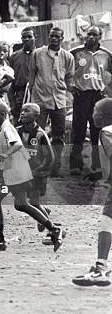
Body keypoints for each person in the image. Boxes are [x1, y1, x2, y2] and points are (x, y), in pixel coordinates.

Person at [0, 101, 63, 252]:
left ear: (2, 115)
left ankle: (52, 229)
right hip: (12, 171)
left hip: (16, 172)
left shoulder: (7, 129)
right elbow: (15, 153)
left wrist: (27, 168)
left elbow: (17, 145)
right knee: (18, 204)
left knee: (16, 203)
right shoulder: (2, 129)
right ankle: (52, 229)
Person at [72, 98, 112, 287]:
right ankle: (101, 266)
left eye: (95, 110)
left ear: (102, 116)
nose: (92, 113)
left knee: (107, 218)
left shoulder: (106, 132)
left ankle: (100, 268)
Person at [28, 27, 74, 177]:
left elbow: (69, 78)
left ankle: (55, 167)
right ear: (48, 37)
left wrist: (69, 93)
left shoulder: (68, 57)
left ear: (62, 38)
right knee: (38, 134)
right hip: (40, 100)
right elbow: (32, 75)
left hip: (59, 101)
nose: (53, 39)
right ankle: (37, 166)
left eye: (57, 36)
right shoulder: (37, 54)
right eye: (51, 36)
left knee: (58, 136)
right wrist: (33, 97)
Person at [69, 26, 112, 179]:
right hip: (81, 95)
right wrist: (71, 87)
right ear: (85, 36)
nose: (91, 37)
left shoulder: (107, 55)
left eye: (95, 35)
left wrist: (107, 90)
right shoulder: (75, 53)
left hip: (98, 96)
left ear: (100, 37)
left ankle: (97, 165)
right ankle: (75, 165)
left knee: (96, 131)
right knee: (78, 130)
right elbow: (65, 72)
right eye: (89, 34)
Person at [16, 103, 56, 245]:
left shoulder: (40, 134)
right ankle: (45, 214)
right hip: (23, 174)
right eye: (22, 111)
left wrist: (39, 171)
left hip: (37, 174)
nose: (22, 113)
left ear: (36, 116)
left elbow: (50, 157)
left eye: (27, 111)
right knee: (30, 202)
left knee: (33, 202)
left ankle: (53, 232)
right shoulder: (17, 131)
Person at [8, 28, 36, 122]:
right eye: (24, 37)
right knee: (18, 126)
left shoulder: (40, 55)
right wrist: (12, 103)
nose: (27, 39)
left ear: (35, 37)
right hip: (19, 96)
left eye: (29, 36)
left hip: (36, 95)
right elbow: (10, 81)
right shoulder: (14, 56)